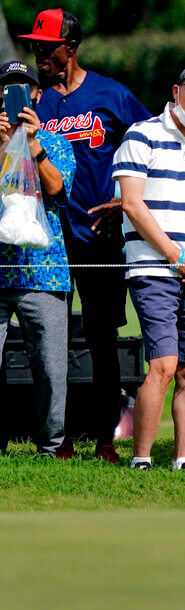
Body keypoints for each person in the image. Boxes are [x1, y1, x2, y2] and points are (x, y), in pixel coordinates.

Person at [22, 8, 151, 462]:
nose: (39, 52)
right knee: (54, 339)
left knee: (100, 338)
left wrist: (125, 199)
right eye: (34, 45)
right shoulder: (33, 100)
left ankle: (102, 437)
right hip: (47, 239)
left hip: (99, 235)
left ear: (70, 48)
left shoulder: (110, 94)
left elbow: (150, 145)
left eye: (47, 46)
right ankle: (61, 439)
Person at [112, 62, 185, 471]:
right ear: (176, 90)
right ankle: (141, 457)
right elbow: (132, 205)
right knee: (162, 364)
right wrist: (177, 258)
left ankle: (184, 459)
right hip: (153, 268)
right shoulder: (142, 134)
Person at [0, 60, 76, 457]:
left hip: (44, 273)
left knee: (50, 369)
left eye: (21, 87)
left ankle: (50, 446)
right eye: (6, 87)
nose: (13, 94)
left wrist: (32, 146)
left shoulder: (56, 143)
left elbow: (59, 191)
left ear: (36, 95)